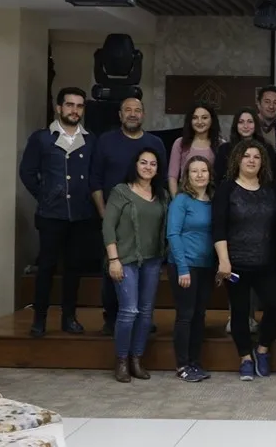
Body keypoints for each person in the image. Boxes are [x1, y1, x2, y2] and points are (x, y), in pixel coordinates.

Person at [19, 87, 97, 338]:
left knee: (73, 269)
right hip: (51, 214)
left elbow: (94, 175)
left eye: (79, 106)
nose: (75, 110)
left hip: (81, 215)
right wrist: (45, 195)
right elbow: (27, 172)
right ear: (59, 107)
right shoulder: (42, 138)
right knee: (46, 268)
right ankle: (39, 319)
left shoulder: (91, 139)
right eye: (70, 105)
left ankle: (69, 317)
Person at [90, 97, 167, 336]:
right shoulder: (106, 141)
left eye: (137, 110)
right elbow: (95, 180)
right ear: (120, 114)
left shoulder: (154, 143)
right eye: (128, 110)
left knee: (146, 274)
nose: (133, 114)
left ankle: (143, 320)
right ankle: (112, 318)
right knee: (112, 271)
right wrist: (105, 215)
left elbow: (162, 181)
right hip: (113, 220)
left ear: (143, 114)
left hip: (147, 220)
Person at [213, 139, 276, 381]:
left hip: (266, 262)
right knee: (240, 313)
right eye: (247, 156)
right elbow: (218, 227)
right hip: (236, 264)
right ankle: (245, 357)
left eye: (256, 157)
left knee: (275, 305)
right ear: (238, 160)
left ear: (263, 162)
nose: (251, 160)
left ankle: (262, 350)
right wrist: (223, 260)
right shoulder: (227, 189)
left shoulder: (270, 189)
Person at [102, 147, 169, 382]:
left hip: (153, 260)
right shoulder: (121, 192)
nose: (148, 167)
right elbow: (108, 227)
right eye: (144, 162)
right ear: (135, 165)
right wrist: (113, 260)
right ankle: (121, 360)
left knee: (146, 313)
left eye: (153, 163)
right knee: (129, 310)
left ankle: (136, 359)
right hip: (124, 259)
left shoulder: (162, 195)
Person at [166, 155, 215, 383]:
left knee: (199, 315)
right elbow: (173, 234)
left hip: (206, 267)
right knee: (186, 316)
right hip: (184, 266)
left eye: (203, 170)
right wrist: (183, 268)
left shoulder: (213, 201)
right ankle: (182, 365)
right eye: (194, 171)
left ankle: (195, 362)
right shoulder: (181, 200)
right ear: (187, 175)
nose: (199, 175)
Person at [168, 102, 221, 197]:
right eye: (195, 118)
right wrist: (176, 200)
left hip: (211, 197)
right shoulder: (180, 143)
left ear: (212, 120)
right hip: (184, 195)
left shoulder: (220, 144)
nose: (199, 122)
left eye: (204, 118)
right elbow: (172, 176)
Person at [213, 108, 276, 187]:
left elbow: (273, 177)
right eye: (241, 122)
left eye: (250, 122)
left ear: (256, 124)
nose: (245, 126)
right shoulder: (224, 149)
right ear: (236, 125)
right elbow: (217, 178)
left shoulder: (267, 148)